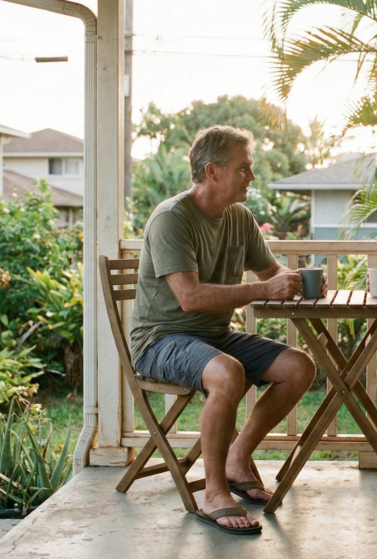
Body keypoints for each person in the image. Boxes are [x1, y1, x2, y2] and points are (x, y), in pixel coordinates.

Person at [129, 125, 323, 535]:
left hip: (212, 337)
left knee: (299, 367)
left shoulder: (239, 217)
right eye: (243, 168)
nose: (252, 176)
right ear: (212, 171)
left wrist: (296, 281)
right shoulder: (171, 218)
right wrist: (262, 290)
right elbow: (190, 297)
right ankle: (215, 493)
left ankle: (237, 457)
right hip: (161, 340)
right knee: (228, 372)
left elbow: (271, 272)